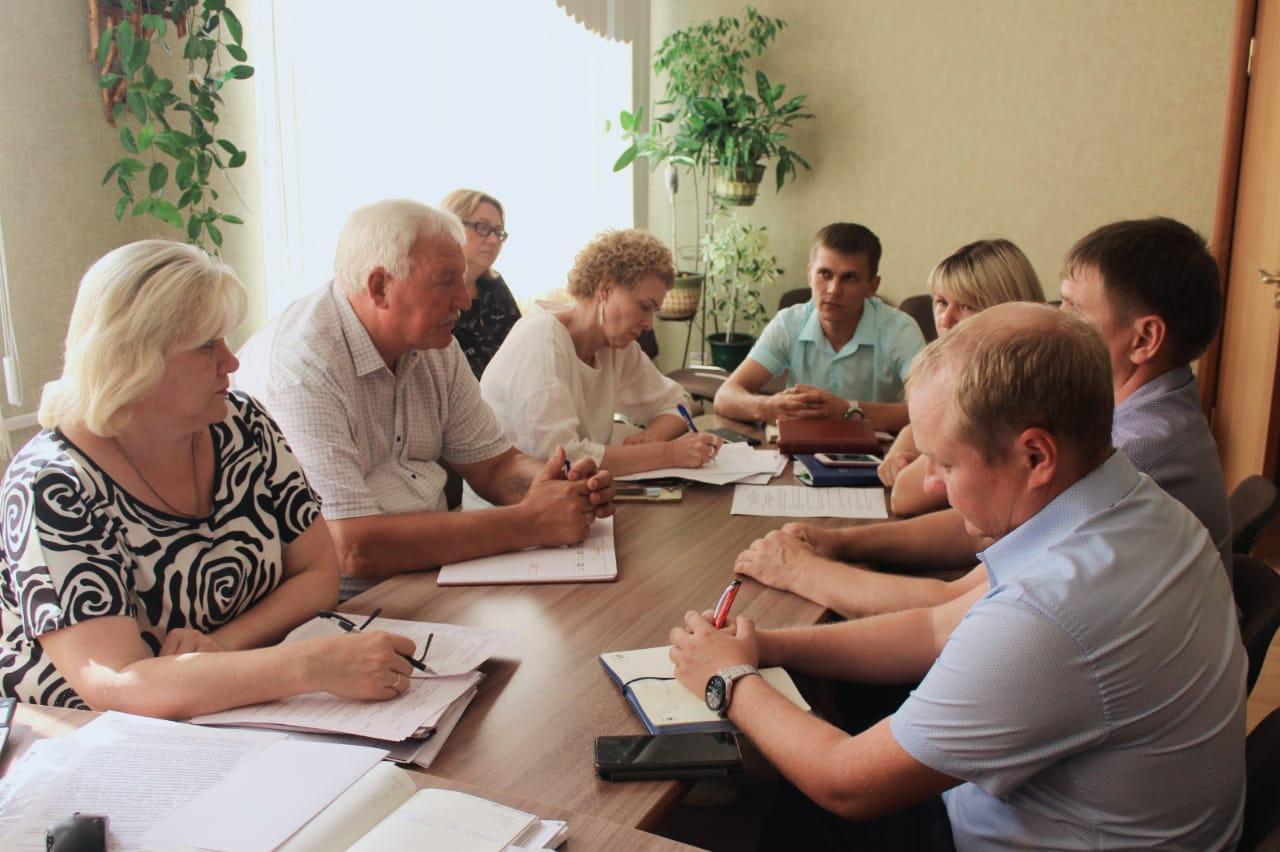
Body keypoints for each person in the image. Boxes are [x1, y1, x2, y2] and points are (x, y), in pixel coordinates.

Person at [671, 304, 1245, 850]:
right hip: (1106, 819)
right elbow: (933, 629)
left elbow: (845, 783)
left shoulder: (1052, 610)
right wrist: (766, 646)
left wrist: (731, 680)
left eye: (946, 463)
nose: (935, 487)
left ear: (1036, 456)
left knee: (796, 812)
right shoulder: (1135, 504)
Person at [737, 217, 1233, 620]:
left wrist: (805, 570)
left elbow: (949, 608)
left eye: (1073, 309)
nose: (1053, 321)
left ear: (1145, 339)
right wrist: (839, 543)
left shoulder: (1135, 450)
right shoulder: (1137, 419)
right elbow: (984, 530)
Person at [0, 241, 416, 716]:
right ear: (133, 358)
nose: (232, 361)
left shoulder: (242, 425)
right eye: (206, 346)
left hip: (232, 709)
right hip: (90, 743)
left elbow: (318, 573)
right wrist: (307, 666)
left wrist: (223, 646)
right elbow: (117, 683)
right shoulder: (53, 484)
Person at [235, 200, 616, 599]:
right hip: (347, 604)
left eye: (463, 280)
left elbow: (495, 465)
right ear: (380, 287)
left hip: (430, 576)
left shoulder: (434, 342)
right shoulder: (302, 367)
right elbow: (351, 547)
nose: (464, 300)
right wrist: (528, 522)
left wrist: (561, 488)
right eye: (445, 281)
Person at [481, 229, 721, 477]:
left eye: (654, 311)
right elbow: (560, 458)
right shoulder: (541, 340)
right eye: (644, 307)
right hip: (509, 509)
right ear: (605, 289)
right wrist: (668, 453)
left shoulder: (616, 347)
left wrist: (652, 438)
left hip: (577, 498)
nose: (649, 324)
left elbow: (678, 402)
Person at [878, 239, 1046, 516]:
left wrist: (922, 456)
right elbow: (914, 427)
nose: (945, 319)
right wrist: (904, 453)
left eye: (967, 306)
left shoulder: (1008, 386)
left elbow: (905, 495)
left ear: (1008, 307)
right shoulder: (962, 367)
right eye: (941, 302)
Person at [713, 223, 925, 432]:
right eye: (825, 274)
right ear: (809, 275)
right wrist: (765, 407)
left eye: (849, 278)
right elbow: (725, 396)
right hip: (802, 453)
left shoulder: (899, 329)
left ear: (872, 286)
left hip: (880, 457)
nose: (833, 290)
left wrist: (849, 411)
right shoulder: (789, 323)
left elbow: (927, 411)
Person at [440, 189, 521, 378]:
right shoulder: (431, 292)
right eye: (482, 227)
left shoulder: (495, 287)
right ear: (451, 226)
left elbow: (523, 351)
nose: (493, 240)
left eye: (498, 231)